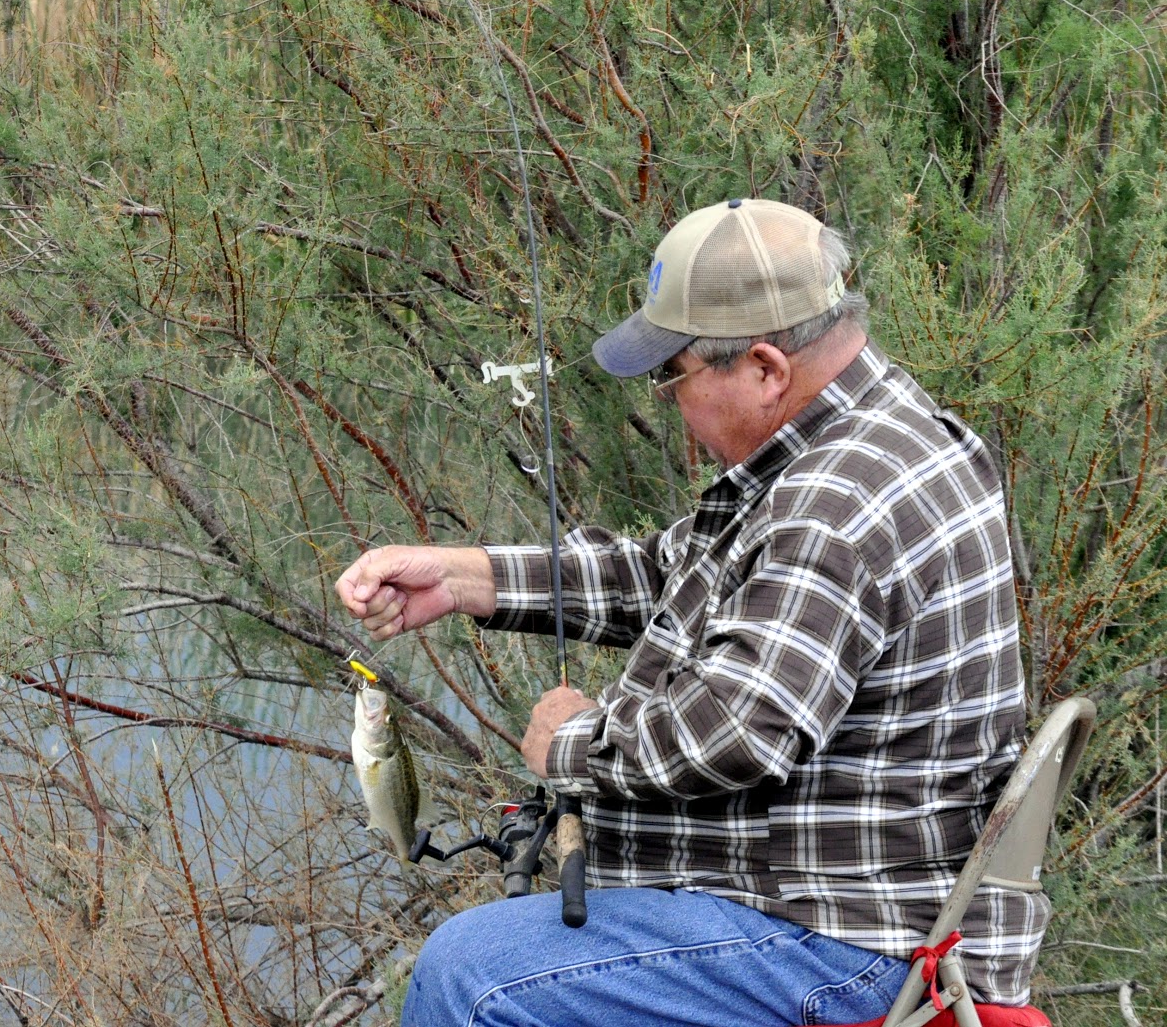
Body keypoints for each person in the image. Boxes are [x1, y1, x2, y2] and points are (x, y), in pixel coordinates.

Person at [334, 198, 1036, 1027]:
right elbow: (672, 571)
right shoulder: (863, 431)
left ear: (767, 367)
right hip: (843, 908)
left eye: (677, 374)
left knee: (471, 975)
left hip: (853, 945)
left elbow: (735, 734)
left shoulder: (837, 502)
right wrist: (465, 576)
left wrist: (569, 746)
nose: (670, 400)